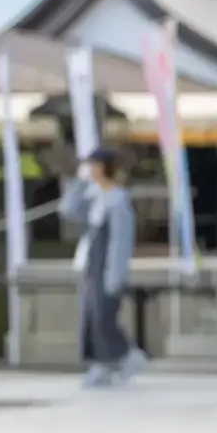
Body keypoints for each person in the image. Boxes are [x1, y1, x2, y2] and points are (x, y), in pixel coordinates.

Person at [58, 148, 144, 388]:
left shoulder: (118, 198)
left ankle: (122, 356)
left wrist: (115, 274)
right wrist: (78, 183)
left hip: (107, 261)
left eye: (94, 165)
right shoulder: (91, 194)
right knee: (89, 315)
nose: (91, 170)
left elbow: (121, 239)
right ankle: (99, 363)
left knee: (104, 315)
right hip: (90, 260)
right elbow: (67, 211)